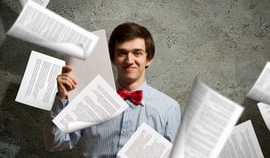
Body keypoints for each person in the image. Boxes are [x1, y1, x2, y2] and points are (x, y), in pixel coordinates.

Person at [44, 22, 181, 157]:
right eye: (122, 53)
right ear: (113, 59)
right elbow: (54, 143)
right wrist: (61, 98)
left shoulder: (169, 108)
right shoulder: (91, 98)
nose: (129, 60)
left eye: (137, 53)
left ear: (149, 59)